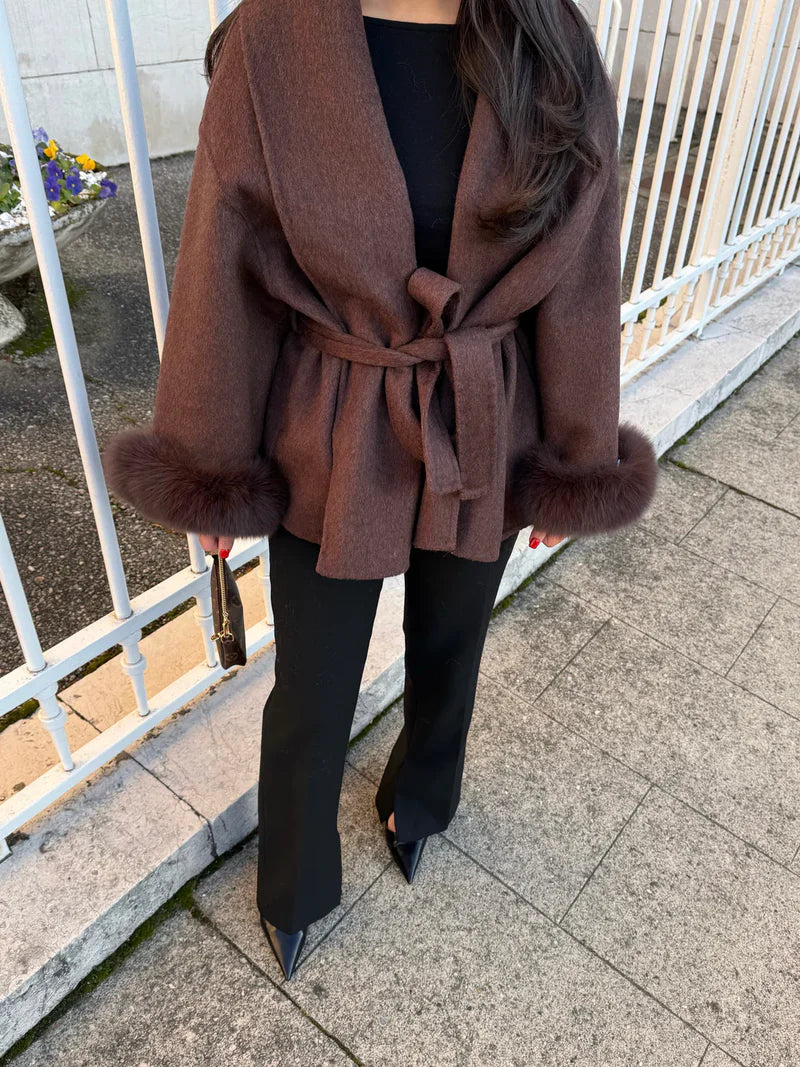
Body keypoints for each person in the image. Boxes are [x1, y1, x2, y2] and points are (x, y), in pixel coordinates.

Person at [101, 0, 659, 980]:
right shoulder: (275, 38)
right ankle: (293, 879)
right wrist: (209, 461)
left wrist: (573, 459)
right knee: (314, 681)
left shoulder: (548, 39)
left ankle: (422, 797)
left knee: (453, 639)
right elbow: (222, 252)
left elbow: (580, 266)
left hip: (486, 406)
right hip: (330, 411)